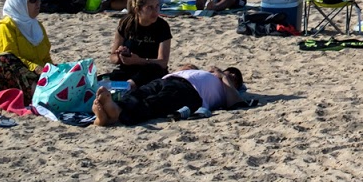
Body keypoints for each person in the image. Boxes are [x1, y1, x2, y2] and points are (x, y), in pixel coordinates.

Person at [92, 66, 247, 126]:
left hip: (191, 92)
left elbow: (235, 104)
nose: (232, 75)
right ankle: (109, 112)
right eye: (231, 72)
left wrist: (225, 78)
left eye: (236, 78)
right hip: (169, 79)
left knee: (156, 102)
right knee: (140, 93)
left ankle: (117, 113)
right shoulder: (209, 74)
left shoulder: (227, 89)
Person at [0, 0, 53, 102]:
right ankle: (39, 93)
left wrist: (52, 71)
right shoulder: (5, 27)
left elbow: (46, 57)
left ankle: (42, 91)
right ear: (19, 4)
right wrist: (36, 68)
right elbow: (8, 61)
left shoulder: (38, 27)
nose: (38, 2)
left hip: (31, 77)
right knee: (4, 58)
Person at [107, 0, 171, 84]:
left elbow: (163, 63)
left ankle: (130, 85)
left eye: (157, 6)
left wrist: (139, 61)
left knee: (154, 70)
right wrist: (121, 56)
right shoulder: (126, 23)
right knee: (103, 79)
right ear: (138, 9)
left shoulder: (162, 26)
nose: (155, 11)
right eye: (150, 7)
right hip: (128, 70)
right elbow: (112, 57)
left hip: (150, 71)